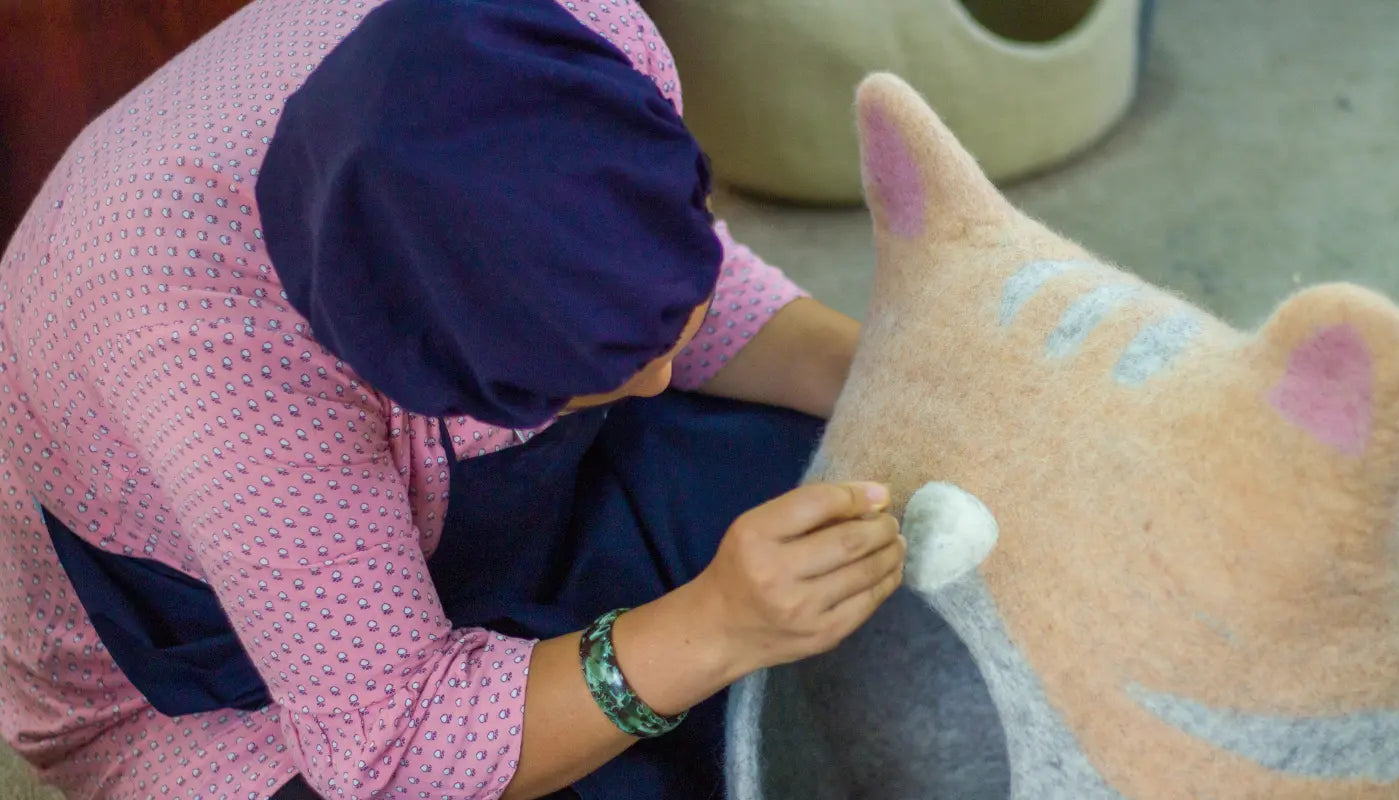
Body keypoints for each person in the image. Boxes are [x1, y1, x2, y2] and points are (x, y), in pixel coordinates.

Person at [0, 1, 905, 798]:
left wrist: (905, 381)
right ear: (429, 363)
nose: (663, 376)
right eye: (599, 371)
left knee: (853, 504)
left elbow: (665, 286)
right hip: (238, 684)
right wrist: (714, 628)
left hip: (494, 503)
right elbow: (388, 751)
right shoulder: (199, 337)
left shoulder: (575, 32)